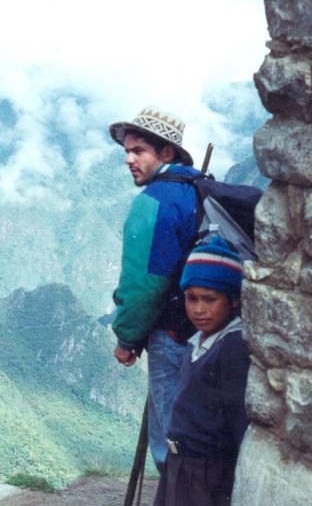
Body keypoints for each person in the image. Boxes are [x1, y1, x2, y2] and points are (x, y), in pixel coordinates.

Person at [108, 106, 202, 472]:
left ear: (166, 153)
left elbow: (144, 284)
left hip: (172, 334)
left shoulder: (153, 202)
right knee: (200, 433)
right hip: (211, 333)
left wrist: (126, 339)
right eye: (126, 151)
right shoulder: (200, 189)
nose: (129, 159)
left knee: (168, 441)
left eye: (138, 150)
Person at [155, 235, 250, 506]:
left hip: (206, 475)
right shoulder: (198, 343)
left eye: (210, 299)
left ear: (233, 301)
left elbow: (239, 423)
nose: (199, 309)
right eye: (191, 298)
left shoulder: (232, 349)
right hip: (180, 467)